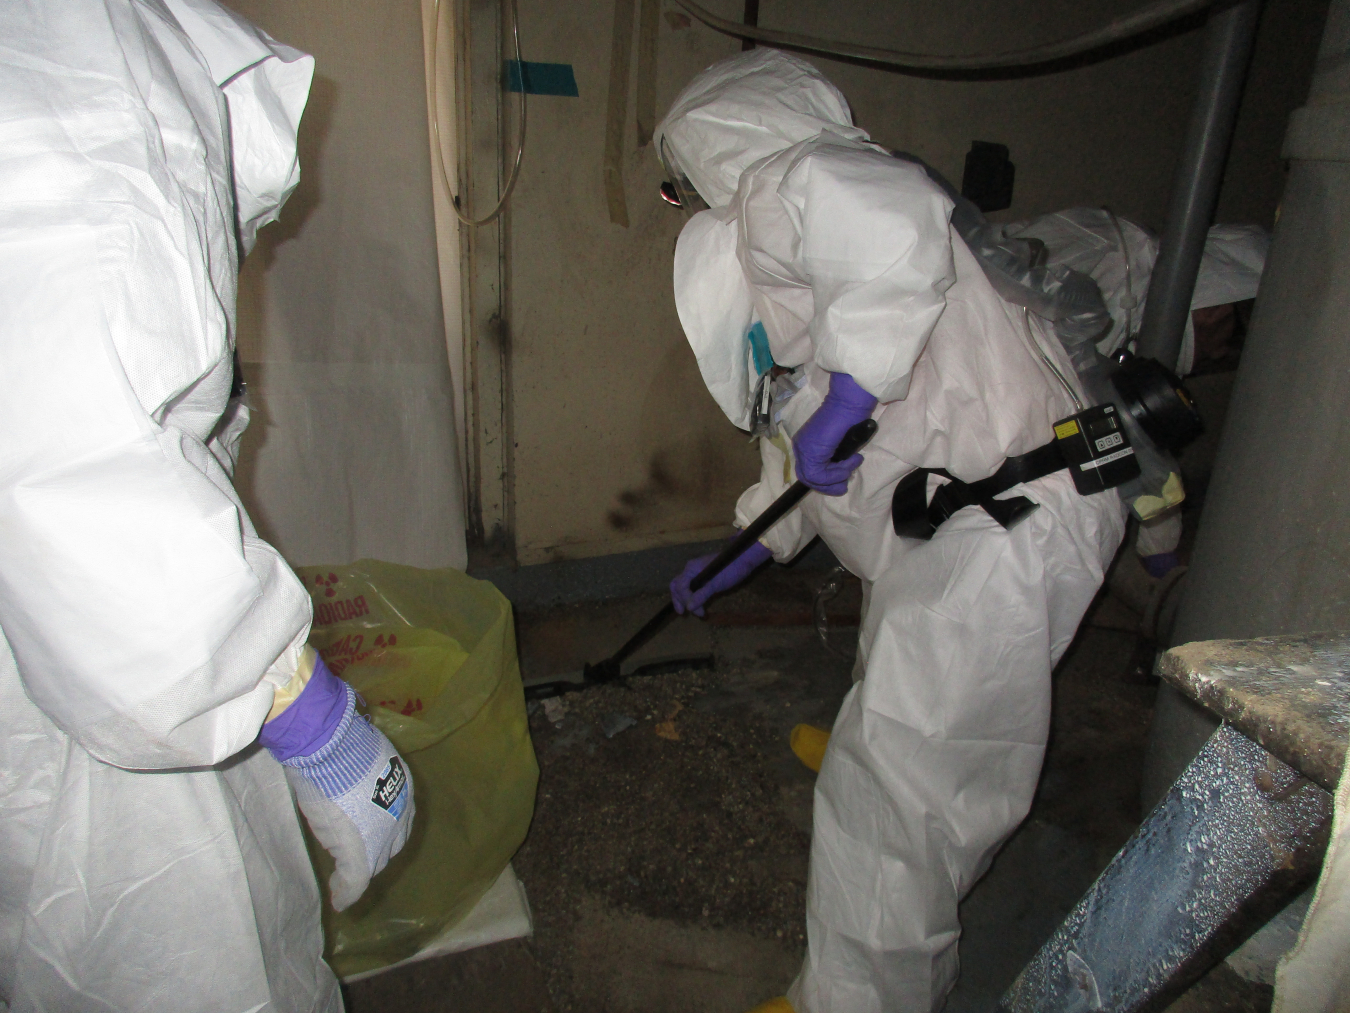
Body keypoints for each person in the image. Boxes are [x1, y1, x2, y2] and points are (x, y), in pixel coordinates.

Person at [655, 51, 1126, 1013]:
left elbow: (887, 239)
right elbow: (805, 424)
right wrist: (744, 547)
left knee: (893, 813)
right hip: (957, 518)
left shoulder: (801, 182)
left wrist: (856, 393)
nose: (681, 200)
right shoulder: (794, 239)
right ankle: (898, 742)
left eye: (675, 182)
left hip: (1007, 521)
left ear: (716, 144)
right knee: (901, 683)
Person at [0, 2, 413, 1010]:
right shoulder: (79, 62)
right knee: (186, 950)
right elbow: (80, 475)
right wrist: (317, 720)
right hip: (101, 688)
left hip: (63, 652)